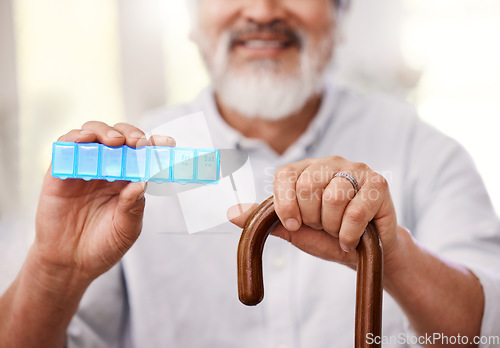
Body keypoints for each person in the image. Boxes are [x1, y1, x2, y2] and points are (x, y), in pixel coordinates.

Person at [1, 0, 500, 347]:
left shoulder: (425, 152)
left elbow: (484, 335)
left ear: (340, 13)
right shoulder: (117, 179)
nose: (262, 11)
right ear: (193, 18)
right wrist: (54, 271)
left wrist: (398, 258)